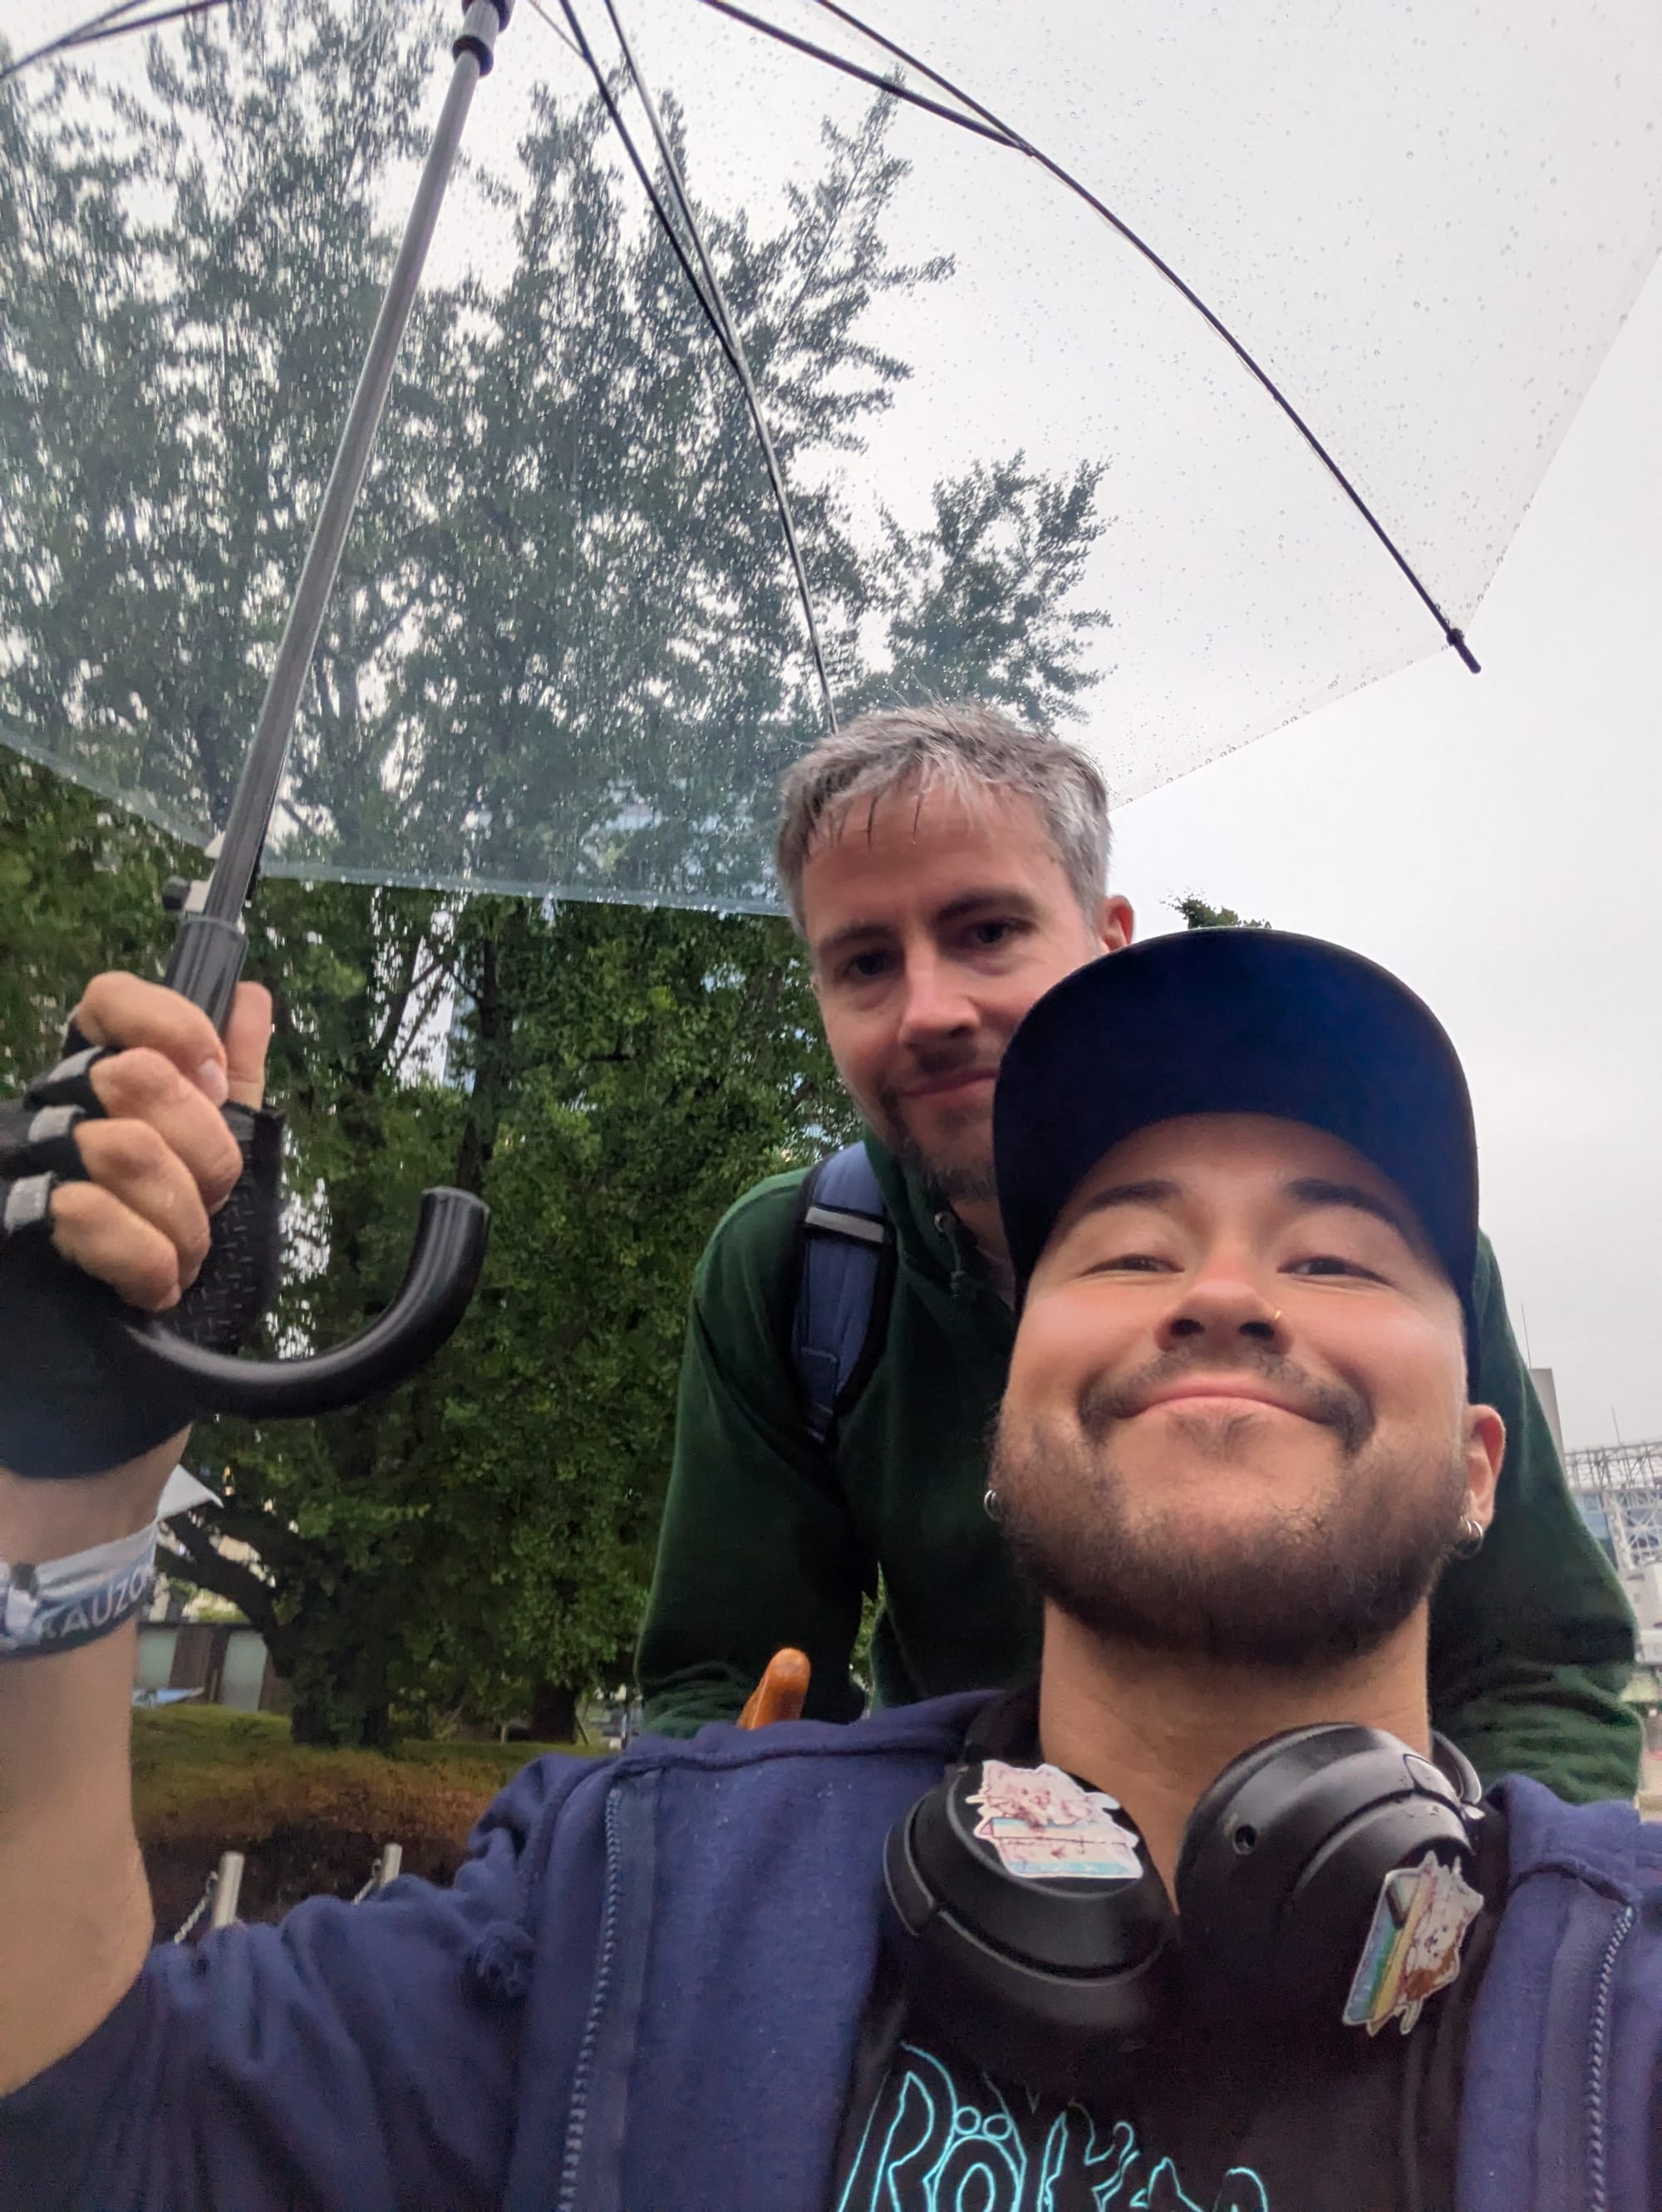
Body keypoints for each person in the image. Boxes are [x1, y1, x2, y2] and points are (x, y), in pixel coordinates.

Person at [2, 931, 1660, 2212]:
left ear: (1480, 1463)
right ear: (1003, 1430)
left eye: (1334, 1255)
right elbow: (87, 2124)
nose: (1220, 1291)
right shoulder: (632, 1898)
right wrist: (59, 1486)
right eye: (1131, 1246)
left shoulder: (1628, 2002)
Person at [636, 704, 1638, 1799]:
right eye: (865, 961)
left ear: (1108, 939)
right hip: (956, 1866)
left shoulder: (1410, 1262)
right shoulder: (799, 1270)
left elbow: (1542, 1669)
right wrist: (759, 1856)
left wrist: (1471, 1888)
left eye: (987, 932)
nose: (930, 1010)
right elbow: (722, 1680)